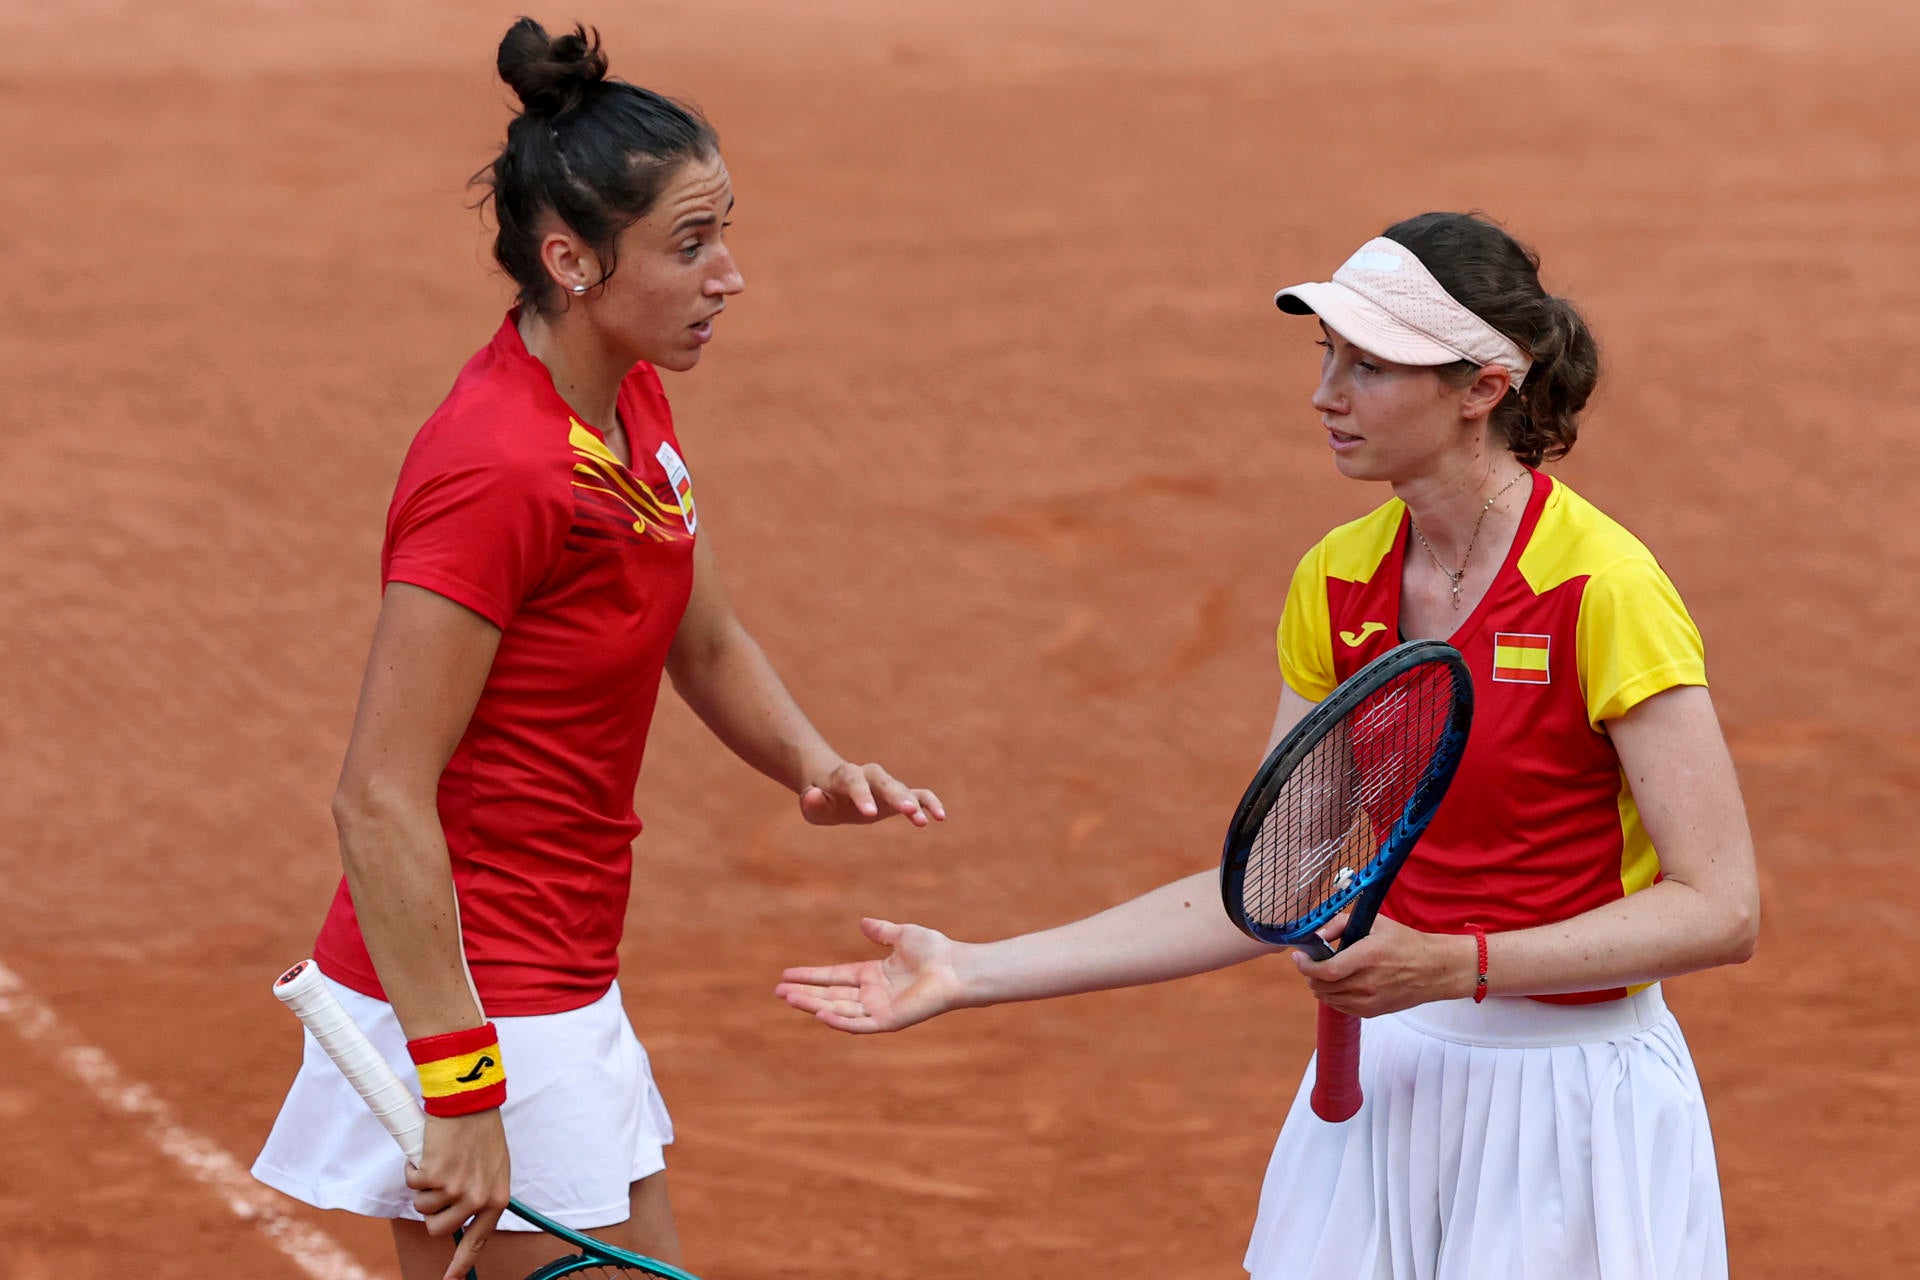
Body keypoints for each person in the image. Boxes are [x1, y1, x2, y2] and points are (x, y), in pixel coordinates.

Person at [774, 211, 1759, 1279]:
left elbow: (1720, 907)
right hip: (1393, 1080)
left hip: (1571, 1101)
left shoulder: (1604, 588)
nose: (1326, 394)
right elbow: (1272, 883)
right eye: (1327, 355)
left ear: (1481, 387)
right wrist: (972, 969)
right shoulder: (1337, 578)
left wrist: (1461, 964)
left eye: (1369, 366)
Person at [252, 19, 944, 1280]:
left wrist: (813, 761)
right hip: (486, 994)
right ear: (570, 259)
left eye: (724, 232)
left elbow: (702, 628)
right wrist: (461, 1082)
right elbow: (378, 794)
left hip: (558, 967)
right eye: (690, 245)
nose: (728, 274)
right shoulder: (498, 469)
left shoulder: (624, 396)